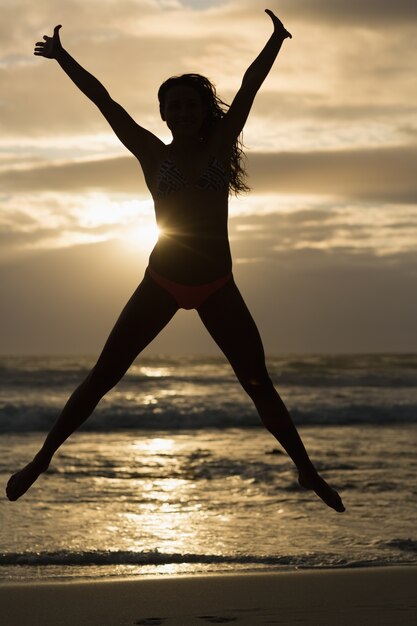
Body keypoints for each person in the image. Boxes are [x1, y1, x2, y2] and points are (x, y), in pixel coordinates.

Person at [6, 10, 345, 512]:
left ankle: (306, 469)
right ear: (163, 114)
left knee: (257, 382)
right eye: (174, 107)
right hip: (161, 282)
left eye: (191, 106)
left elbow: (250, 88)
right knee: (104, 375)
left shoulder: (221, 142)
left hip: (217, 285)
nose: (183, 113)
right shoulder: (149, 153)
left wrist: (275, 41)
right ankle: (43, 458)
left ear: (204, 112)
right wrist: (61, 57)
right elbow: (105, 102)